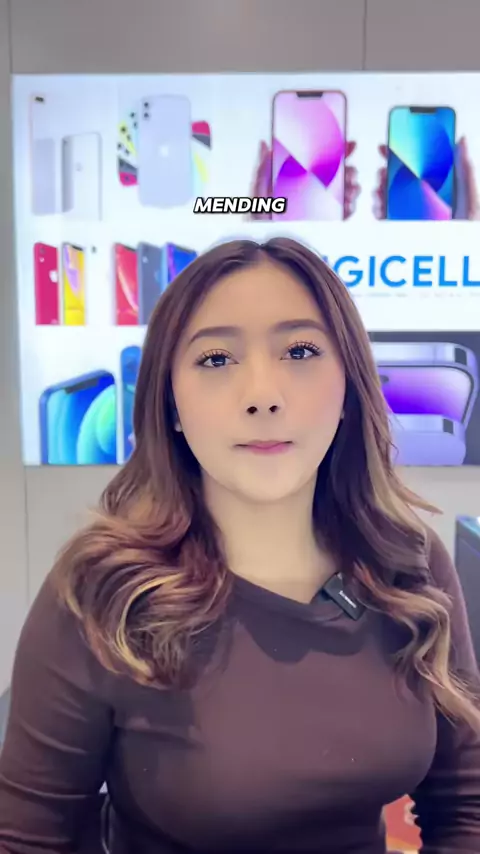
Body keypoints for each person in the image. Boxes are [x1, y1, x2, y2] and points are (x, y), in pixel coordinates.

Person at [0, 237, 479, 853]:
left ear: (349, 387)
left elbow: (466, 804)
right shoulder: (105, 590)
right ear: (170, 404)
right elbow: (30, 838)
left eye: (300, 351)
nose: (262, 395)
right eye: (216, 359)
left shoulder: (406, 563)